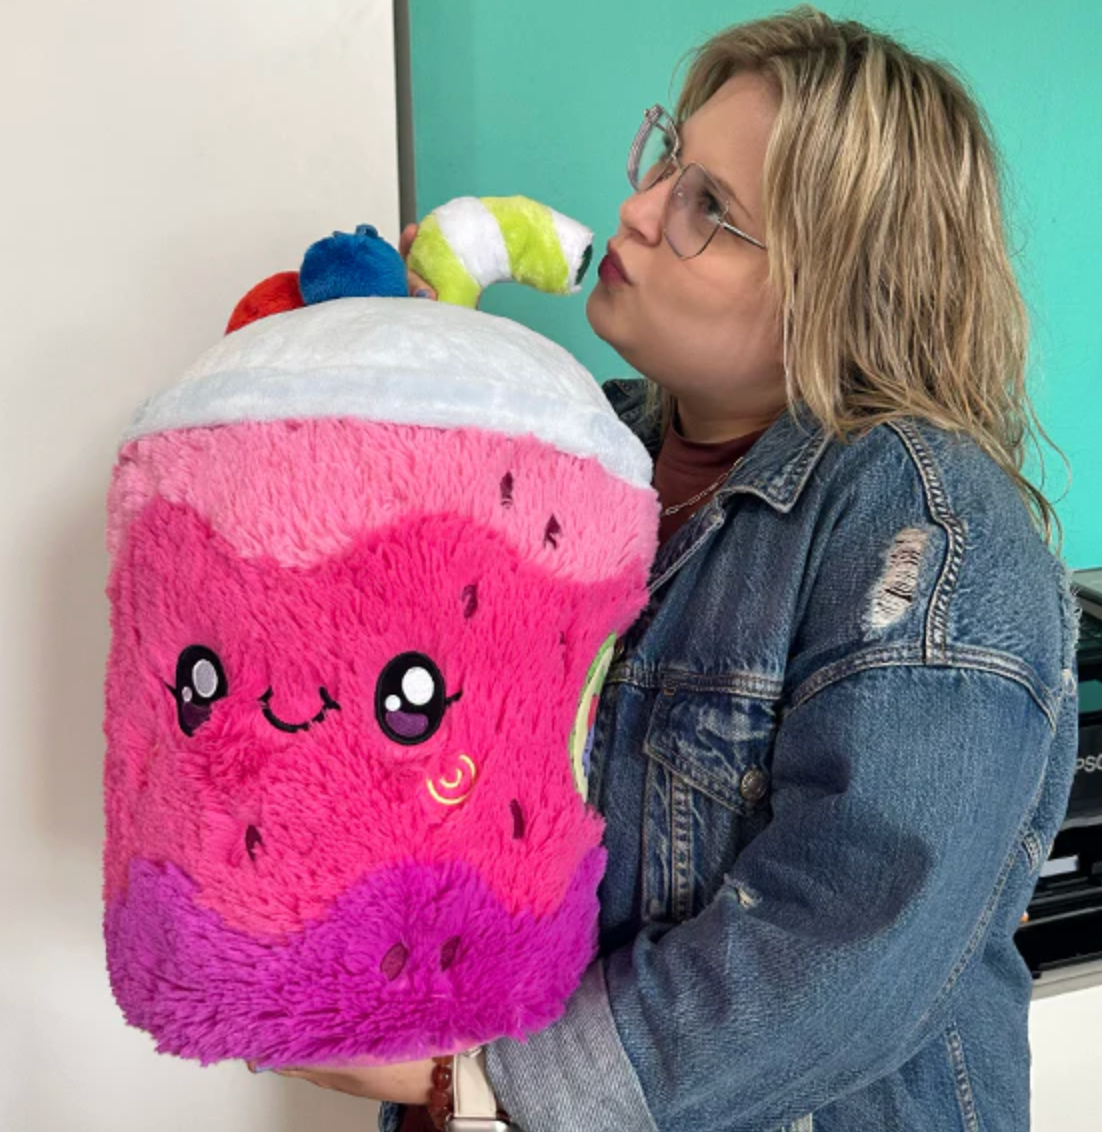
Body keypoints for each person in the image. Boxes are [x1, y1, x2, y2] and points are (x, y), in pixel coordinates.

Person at [268, 8, 1080, 1130]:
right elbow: (395, 681)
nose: (637, 211)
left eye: (709, 207)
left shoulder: (927, 530)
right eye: (666, 161)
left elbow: (842, 945)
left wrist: (483, 1074)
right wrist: (398, 391)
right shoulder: (576, 442)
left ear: (840, 286)